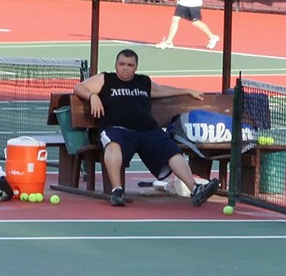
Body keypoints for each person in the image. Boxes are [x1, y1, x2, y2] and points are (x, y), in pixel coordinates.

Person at [74, 48, 219, 209]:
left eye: (130, 65)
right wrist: (92, 96)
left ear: (136, 66)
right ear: (116, 64)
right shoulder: (105, 79)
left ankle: (195, 189)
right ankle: (117, 191)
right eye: (122, 64)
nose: (125, 68)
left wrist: (188, 91)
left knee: (171, 150)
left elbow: (162, 90)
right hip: (117, 129)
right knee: (113, 144)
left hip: (148, 130)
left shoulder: (143, 81)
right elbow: (79, 88)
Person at [156, 0, 220, 51]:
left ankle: (212, 37)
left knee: (196, 22)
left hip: (193, 1)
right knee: (175, 19)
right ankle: (168, 42)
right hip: (184, 0)